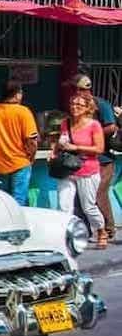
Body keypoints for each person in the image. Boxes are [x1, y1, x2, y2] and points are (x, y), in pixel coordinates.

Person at [56, 92, 109, 248]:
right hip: (68, 170)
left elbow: (99, 149)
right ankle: (67, 235)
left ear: (87, 108)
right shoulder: (65, 123)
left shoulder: (94, 125)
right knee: (64, 205)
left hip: (88, 170)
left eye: (79, 105)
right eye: (73, 104)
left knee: (88, 207)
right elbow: (62, 142)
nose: (75, 108)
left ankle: (101, 230)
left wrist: (76, 147)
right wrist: (55, 151)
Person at [69, 74, 117, 243]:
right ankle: (89, 230)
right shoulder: (76, 108)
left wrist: (92, 135)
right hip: (83, 161)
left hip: (104, 160)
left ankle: (108, 229)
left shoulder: (101, 105)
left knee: (97, 194)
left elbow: (111, 126)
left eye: (79, 89)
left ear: (86, 89)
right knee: (81, 199)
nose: (76, 94)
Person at [0, 81, 40, 201]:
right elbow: (32, 142)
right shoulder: (23, 112)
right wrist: (31, 158)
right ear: (18, 94)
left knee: (5, 202)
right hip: (20, 163)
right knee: (18, 202)